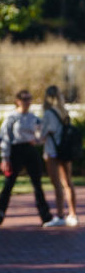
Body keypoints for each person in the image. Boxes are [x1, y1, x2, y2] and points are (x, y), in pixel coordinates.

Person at [0, 89, 55, 227]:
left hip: (30, 150)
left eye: (29, 99)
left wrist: (39, 139)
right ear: (18, 101)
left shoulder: (34, 118)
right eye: (25, 99)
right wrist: (5, 158)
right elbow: (5, 138)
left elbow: (40, 135)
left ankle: (46, 217)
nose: (28, 102)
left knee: (37, 184)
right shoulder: (12, 118)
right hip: (16, 151)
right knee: (9, 184)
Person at [41, 85, 79, 227]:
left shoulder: (48, 113)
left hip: (53, 151)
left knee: (57, 185)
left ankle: (60, 215)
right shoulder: (64, 111)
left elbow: (43, 134)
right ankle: (73, 214)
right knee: (68, 182)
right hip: (66, 150)